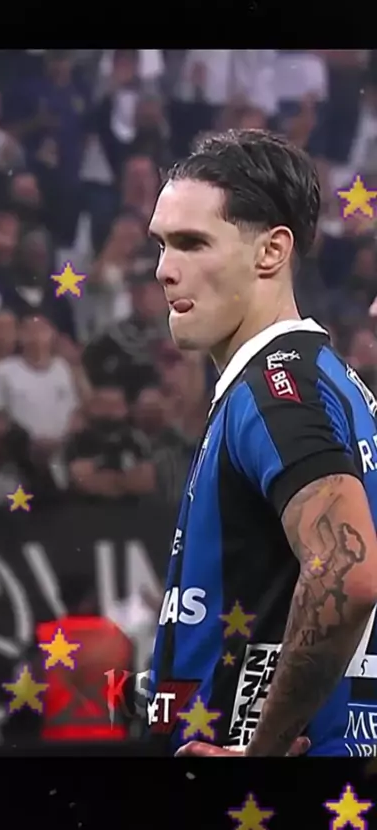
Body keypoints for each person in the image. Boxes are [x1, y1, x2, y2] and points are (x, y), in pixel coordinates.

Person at [146, 129, 377, 758]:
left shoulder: (275, 390)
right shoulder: (329, 380)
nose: (165, 269)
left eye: (192, 243)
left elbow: (348, 573)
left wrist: (263, 750)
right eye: (161, 244)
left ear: (272, 251)